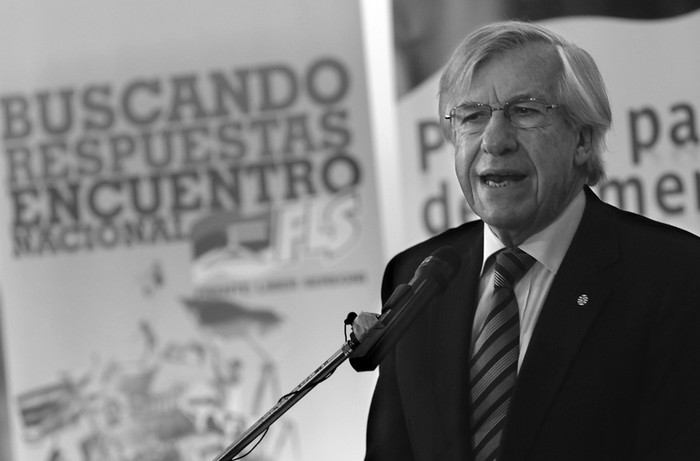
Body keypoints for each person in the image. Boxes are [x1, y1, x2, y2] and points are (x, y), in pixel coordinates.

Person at [351, 21, 700, 461]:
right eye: (472, 116)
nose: (494, 141)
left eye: (526, 111)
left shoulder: (676, 277)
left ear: (583, 139)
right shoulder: (416, 276)